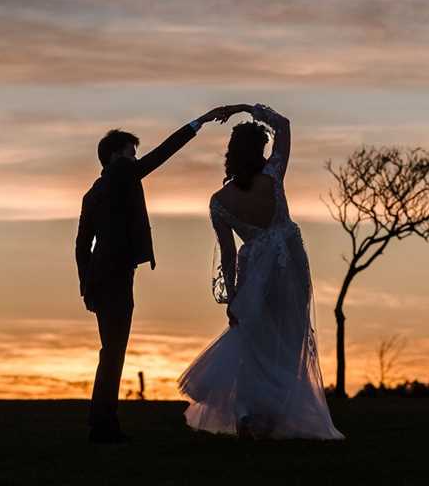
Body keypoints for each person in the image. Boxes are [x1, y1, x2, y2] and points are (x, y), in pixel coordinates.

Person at [178, 104, 344, 440]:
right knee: (289, 338)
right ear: (259, 150)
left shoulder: (219, 201)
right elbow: (284, 124)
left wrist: (234, 297)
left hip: (255, 272)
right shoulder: (273, 176)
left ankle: (252, 413)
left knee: (256, 341)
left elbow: (227, 255)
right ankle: (268, 414)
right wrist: (245, 108)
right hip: (290, 265)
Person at [75, 107, 230, 443]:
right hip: (114, 278)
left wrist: (86, 285)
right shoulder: (122, 175)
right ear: (116, 156)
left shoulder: (93, 193)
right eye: (131, 152)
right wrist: (198, 123)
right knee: (113, 351)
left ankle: (101, 421)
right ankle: (103, 425)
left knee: (110, 350)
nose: (136, 158)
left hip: (102, 279)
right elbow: (161, 155)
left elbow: (81, 246)